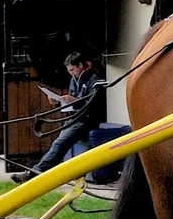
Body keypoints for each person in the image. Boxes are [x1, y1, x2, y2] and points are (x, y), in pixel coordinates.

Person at [12, 51, 105, 182]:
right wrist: (58, 102)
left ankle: (35, 173)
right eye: (69, 71)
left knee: (59, 144)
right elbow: (73, 104)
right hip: (74, 118)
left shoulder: (95, 80)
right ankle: (40, 171)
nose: (71, 73)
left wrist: (73, 100)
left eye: (73, 69)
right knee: (58, 144)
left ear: (81, 65)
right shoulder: (74, 80)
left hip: (87, 119)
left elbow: (94, 104)